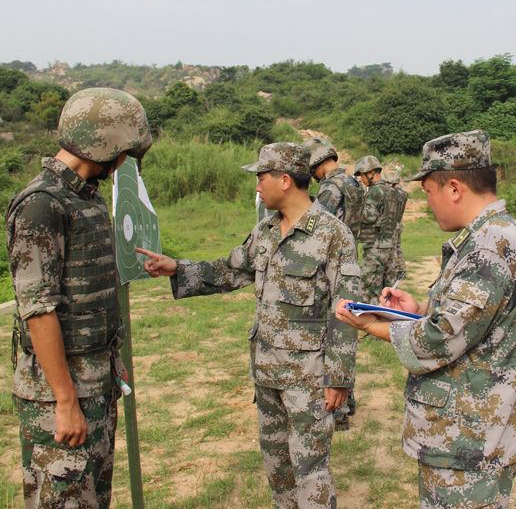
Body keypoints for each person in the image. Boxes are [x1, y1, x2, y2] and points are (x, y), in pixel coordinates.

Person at [136, 142, 360, 509]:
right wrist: (177, 268)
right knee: (278, 467)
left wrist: (339, 379)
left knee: (310, 470)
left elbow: (346, 311)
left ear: (284, 180)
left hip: (309, 377)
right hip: (267, 372)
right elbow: (231, 269)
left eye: (261, 178)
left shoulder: (333, 236)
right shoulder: (267, 231)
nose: (257, 186)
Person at [336, 130, 516, 509]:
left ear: (455, 188)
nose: (429, 204)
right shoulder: (490, 237)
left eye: (428, 193)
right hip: (470, 433)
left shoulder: (489, 247)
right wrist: (418, 312)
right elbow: (470, 320)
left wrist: (370, 324)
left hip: (471, 441)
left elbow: (440, 338)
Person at [6, 87, 152, 509]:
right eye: (125, 150)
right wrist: (66, 401)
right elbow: (39, 310)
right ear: (105, 143)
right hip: (62, 393)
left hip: (95, 383)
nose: (124, 161)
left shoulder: (83, 198)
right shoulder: (43, 205)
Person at [303, 136, 365, 431]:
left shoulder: (330, 188)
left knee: (330, 335)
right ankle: (348, 400)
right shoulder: (353, 183)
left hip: (330, 265)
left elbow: (315, 223)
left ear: (317, 163)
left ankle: (337, 411)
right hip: (350, 259)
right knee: (345, 330)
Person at [303, 137, 364, 241]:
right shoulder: (350, 180)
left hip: (334, 248)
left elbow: (314, 225)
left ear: (314, 162)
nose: (313, 176)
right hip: (349, 246)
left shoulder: (331, 186)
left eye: (312, 172)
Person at [353, 155, 392, 304]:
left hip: (375, 247)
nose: (361, 179)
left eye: (362, 175)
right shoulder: (388, 190)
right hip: (386, 245)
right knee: (381, 286)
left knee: (369, 289)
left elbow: (368, 217)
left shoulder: (375, 191)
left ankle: (370, 320)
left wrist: (357, 204)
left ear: (371, 173)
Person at [379, 168, 408, 285]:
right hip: (399, 223)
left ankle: (395, 270)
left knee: (392, 249)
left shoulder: (392, 194)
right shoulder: (403, 194)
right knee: (397, 247)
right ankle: (402, 269)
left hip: (392, 225)